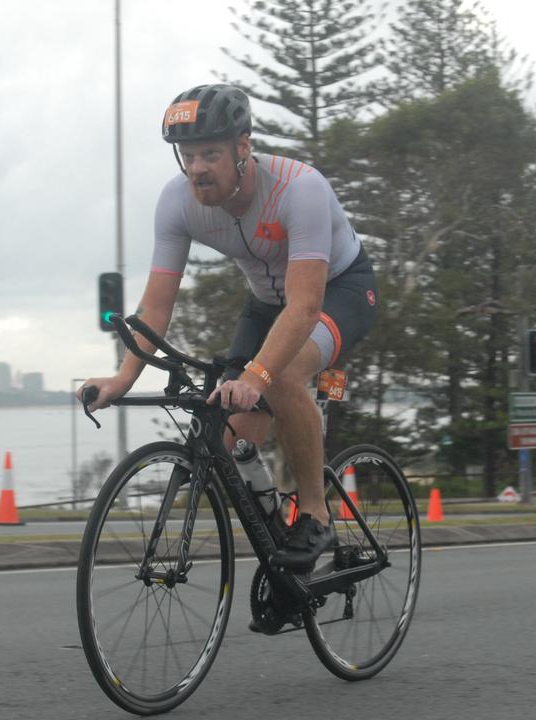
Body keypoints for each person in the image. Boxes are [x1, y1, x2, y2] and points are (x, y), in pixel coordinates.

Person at [80, 84, 378, 573]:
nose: (197, 167)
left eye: (211, 153)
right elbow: (155, 307)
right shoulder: (177, 202)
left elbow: (304, 307)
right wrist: (122, 379)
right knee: (224, 442)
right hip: (264, 304)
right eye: (188, 155)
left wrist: (256, 378)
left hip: (338, 291)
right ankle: (282, 547)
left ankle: (316, 514)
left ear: (244, 147)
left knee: (279, 377)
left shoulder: (298, 188)